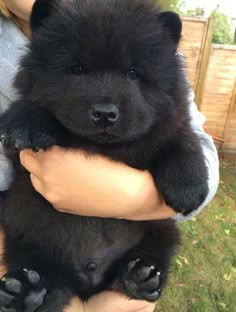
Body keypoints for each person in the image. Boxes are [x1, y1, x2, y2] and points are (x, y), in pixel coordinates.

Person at [0, 0, 219, 311]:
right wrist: (25, 123)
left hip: (128, 254)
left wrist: (143, 192)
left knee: (152, 250)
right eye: (77, 70)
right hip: (43, 249)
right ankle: (39, 287)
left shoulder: (145, 31)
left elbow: (189, 166)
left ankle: (133, 276)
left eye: (132, 74)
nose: (106, 103)